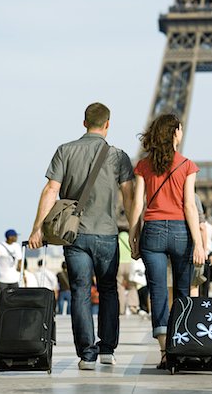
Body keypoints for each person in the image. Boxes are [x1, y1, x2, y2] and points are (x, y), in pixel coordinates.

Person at [28, 102, 134, 370]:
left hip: (73, 235)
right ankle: (107, 349)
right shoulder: (118, 156)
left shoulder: (65, 150)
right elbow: (129, 195)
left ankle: (86, 354)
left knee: (80, 293)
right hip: (108, 234)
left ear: (84, 122)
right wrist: (135, 230)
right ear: (108, 124)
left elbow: (50, 189)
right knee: (109, 291)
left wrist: (37, 228)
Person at [128, 113, 205, 370]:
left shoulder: (143, 165)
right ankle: (181, 345)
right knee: (183, 293)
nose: (182, 133)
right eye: (180, 129)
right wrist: (199, 243)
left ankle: (164, 352)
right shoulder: (187, 165)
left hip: (153, 232)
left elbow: (138, 205)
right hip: (182, 232)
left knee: (158, 292)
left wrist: (133, 235)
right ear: (174, 133)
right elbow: (190, 207)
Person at [117, 229, 139, 315]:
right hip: (130, 264)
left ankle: (120, 308)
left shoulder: (117, 238)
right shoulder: (130, 238)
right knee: (132, 286)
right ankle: (133, 306)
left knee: (119, 286)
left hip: (119, 264)